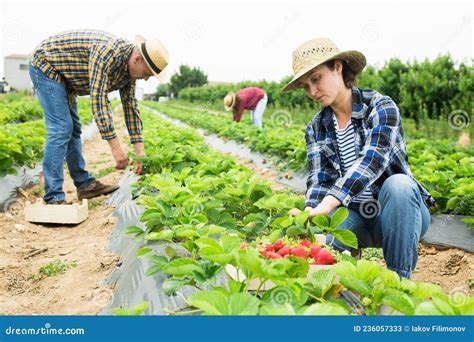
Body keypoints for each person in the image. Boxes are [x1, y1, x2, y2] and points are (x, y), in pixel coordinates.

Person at [284, 38, 435, 279]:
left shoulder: (381, 107)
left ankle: (398, 283)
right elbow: (319, 180)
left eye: (316, 78)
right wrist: (309, 213)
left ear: (338, 67)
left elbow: (373, 160)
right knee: (329, 241)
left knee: (399, 184)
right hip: (356, 217)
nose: (312, 91)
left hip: (399, 213)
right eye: (305, 85)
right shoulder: (316, 127)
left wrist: (330, 202)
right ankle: (346, 286)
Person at [29, 30, 169, 204]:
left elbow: (130, 108)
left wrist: (140, 152)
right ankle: (53, 197)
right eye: (147, 73)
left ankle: (84, 185)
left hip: (66, 79)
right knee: (61, 127)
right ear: (137, 59)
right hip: (46, 66)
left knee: (74, 128)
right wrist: (115, 147)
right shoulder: (107, 53)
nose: (146, 79)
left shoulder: (129, 73)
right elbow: (98, 99)